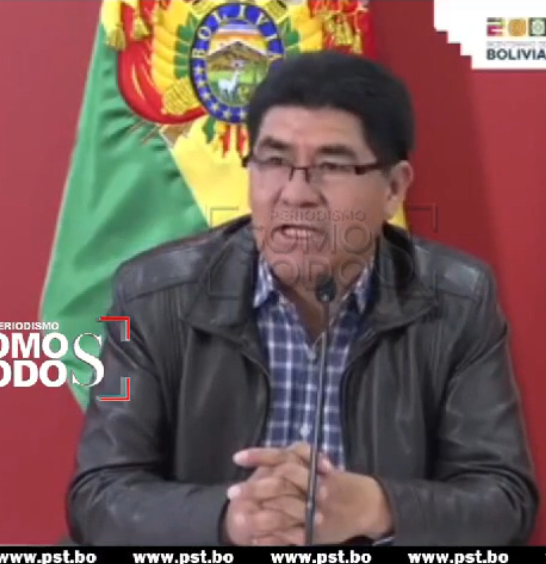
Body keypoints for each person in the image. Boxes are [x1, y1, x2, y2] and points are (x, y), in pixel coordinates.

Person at [66, 50, 539, 546]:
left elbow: (504, 501)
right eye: (274, 161)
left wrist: (377, 507)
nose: (295, 194)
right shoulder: (152, 296)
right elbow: (99, 495)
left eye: (331, 166)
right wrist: (229, 519)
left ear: (394, 189)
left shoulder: (458, 301)